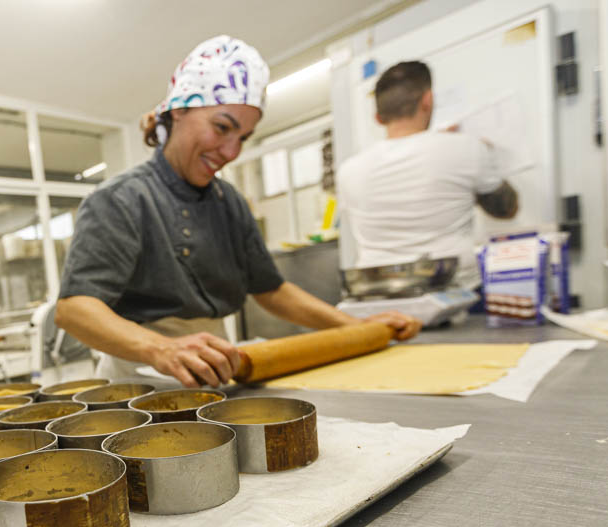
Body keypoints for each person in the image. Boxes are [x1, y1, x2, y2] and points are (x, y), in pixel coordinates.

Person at [55, 36, 421, 388]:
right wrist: (160, 348)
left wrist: (355, 327)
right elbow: (74, 309)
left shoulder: (228, 201)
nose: (231, 151)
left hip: (216, 364)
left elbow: (271, 290)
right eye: (222, 127)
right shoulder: (122, 200)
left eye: (243, 137)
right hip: (138, 376)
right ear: (180, 109)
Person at [337, 61, 519, 289]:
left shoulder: (349, 170)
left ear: (378, 117)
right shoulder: (465, 148)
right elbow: (506, 209)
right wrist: (483, 158)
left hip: (383, 300)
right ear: (428, 100)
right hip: (455, 296)